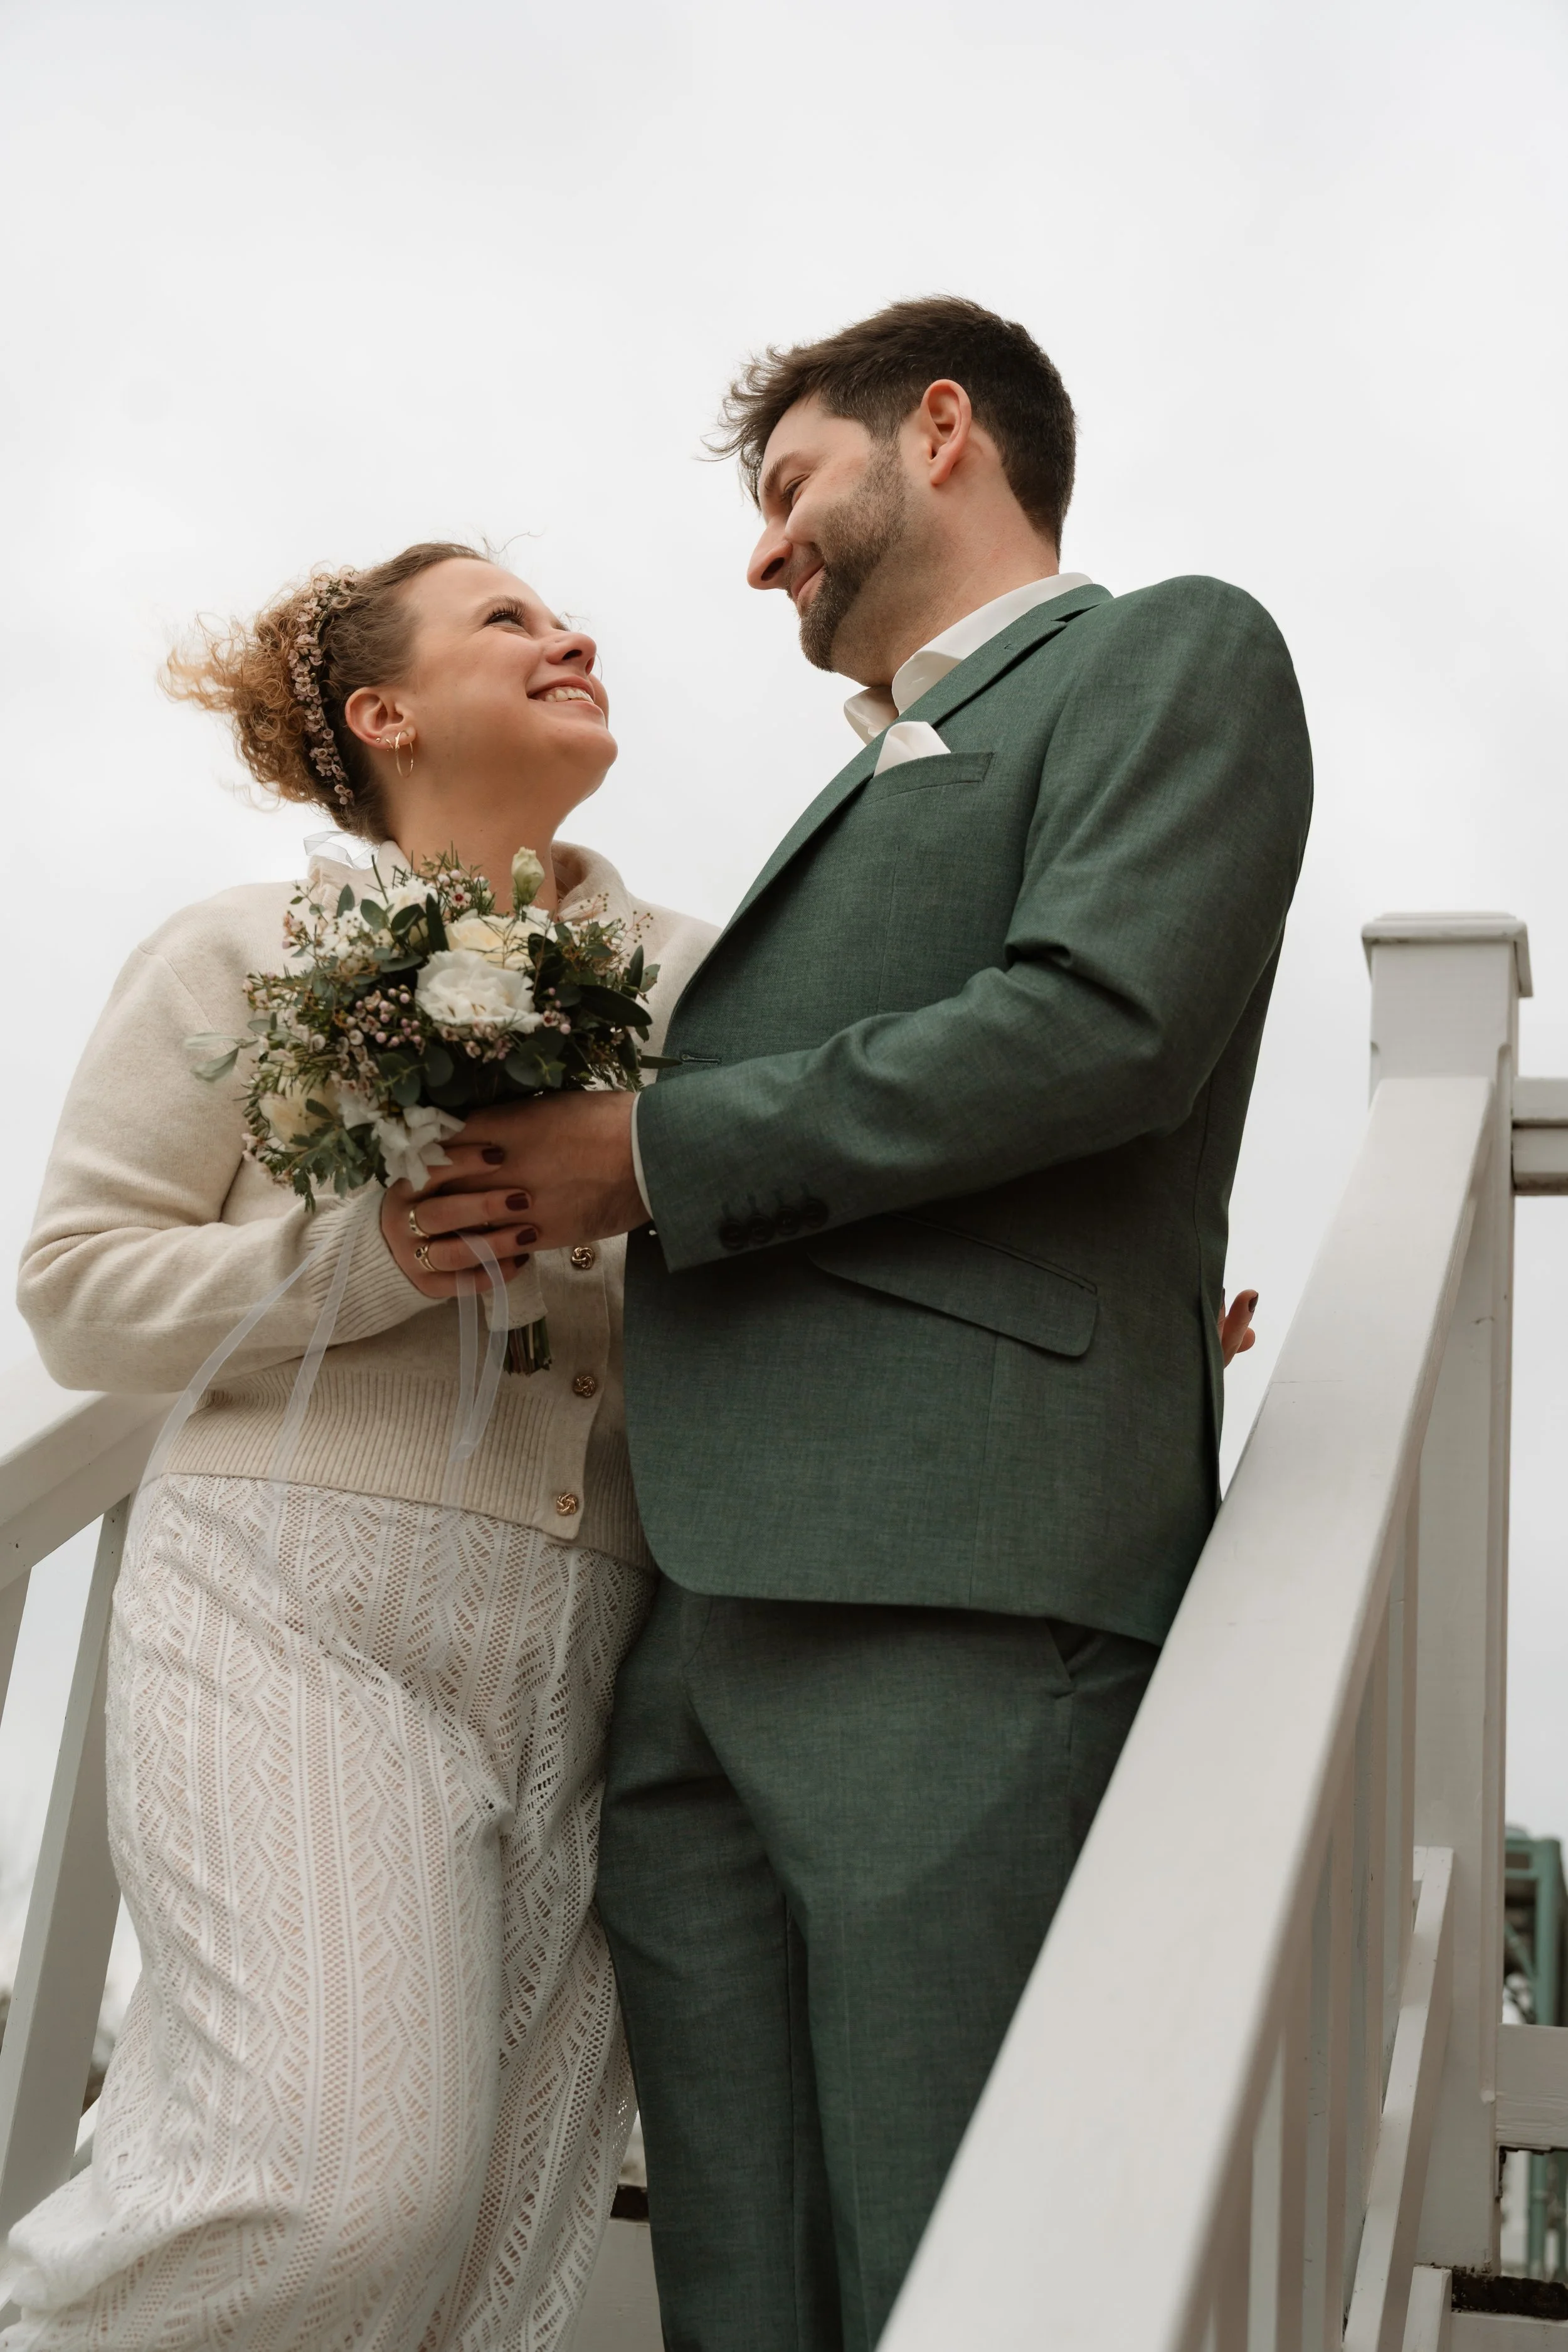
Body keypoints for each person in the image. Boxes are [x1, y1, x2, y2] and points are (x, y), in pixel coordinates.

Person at [436, 298, 1312, 2351]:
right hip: (703, 1625)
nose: (759, 555)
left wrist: (647, 1152)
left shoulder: (1167, 649)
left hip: (957, 1582)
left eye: (785, 486)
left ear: (939, 429)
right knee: (745, 2281)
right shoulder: (852, 777)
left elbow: (1099, 1023)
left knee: (958, 2261)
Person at [9, 544, 714, 2351]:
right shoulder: (242, 951)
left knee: (490, 2270)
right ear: (380, 714)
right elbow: (79, 1287)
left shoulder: (700, 979)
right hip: (288, 1591)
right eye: (510, 617)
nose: (573, 632)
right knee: (332, 2197)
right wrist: (361, 1257)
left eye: (568, 614)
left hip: (601, 1643)